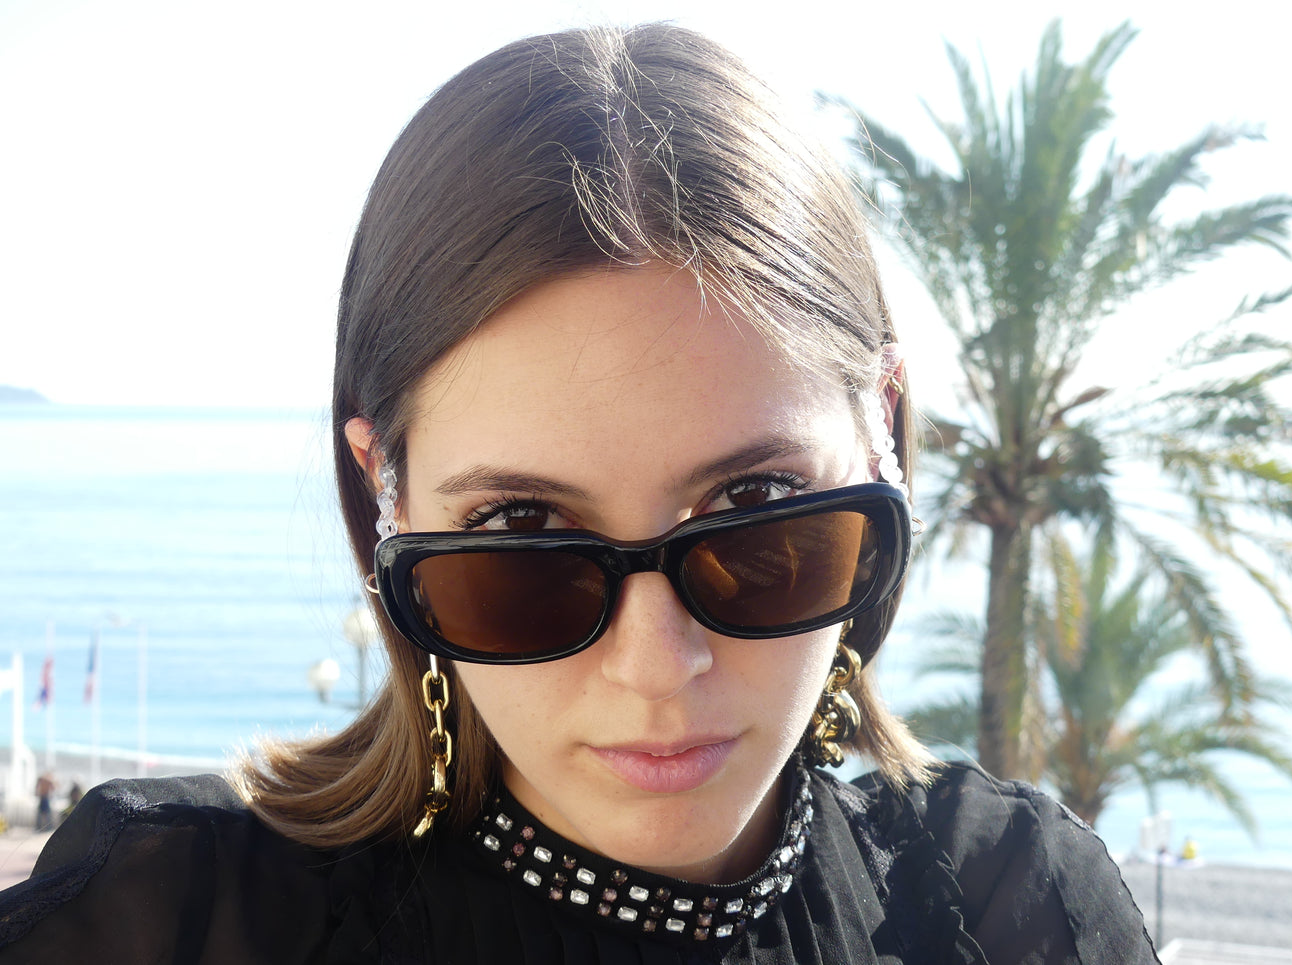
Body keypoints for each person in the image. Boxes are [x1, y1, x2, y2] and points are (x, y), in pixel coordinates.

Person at [0, 24, 1158, 963]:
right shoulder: (174, 923)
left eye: (753, 505)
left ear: (882, 439)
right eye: (522, 532)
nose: (656, 666)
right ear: (384, 491)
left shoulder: (1015, 903)